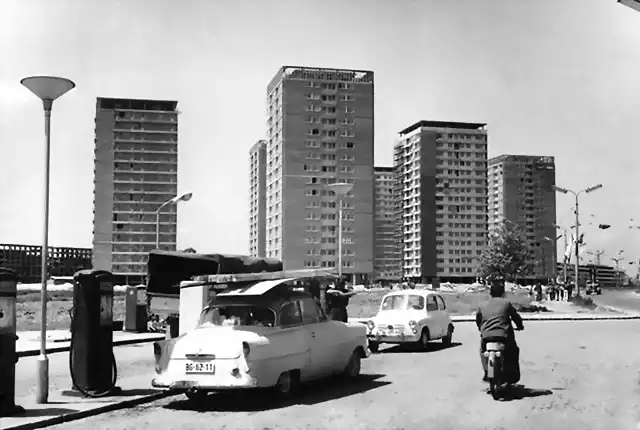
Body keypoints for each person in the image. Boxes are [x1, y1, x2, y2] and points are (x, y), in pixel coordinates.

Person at [476, 275, 524, 384]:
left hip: (486, 336)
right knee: (513, 351)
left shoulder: (482, 305)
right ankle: (512, 374)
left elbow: (478, 320)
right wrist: (520, 326)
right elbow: (516, 317)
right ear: (503, 293)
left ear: (490, 294)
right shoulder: (506, 303)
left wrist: (481, 329)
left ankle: (486, 372)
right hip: (504, 335)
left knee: (482, 351)